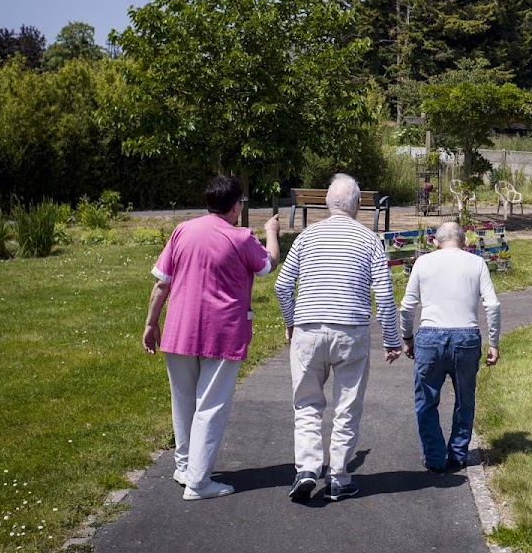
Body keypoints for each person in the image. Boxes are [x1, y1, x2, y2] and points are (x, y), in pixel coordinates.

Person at [143, 175, 280, 500]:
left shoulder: (182, 231)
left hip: (178, 329)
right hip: (221, 333)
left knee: (184, 401)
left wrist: (151, 323)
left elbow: (162, 283)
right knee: (211, 405)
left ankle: (185, 466)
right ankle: (199, 482)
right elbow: (267, 265)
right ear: (236, 207)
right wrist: (271, 234)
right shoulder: (242, 237)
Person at [275, 173, 401, 502]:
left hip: (308, 329)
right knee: (347, 407)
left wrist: (291, 321)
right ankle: (339, 477)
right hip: (351, 331)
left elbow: (282, 286)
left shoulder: (306, 237)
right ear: (358, 205)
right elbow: (385, 296)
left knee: (306, 403)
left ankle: (306, 468)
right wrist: (391, 339)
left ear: (328, 204)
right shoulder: (370, 239)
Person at [399, 221, 500, 473]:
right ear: (464, 241)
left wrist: (407, 337)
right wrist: (494, 341)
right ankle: (457, 453)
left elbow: (407, 306)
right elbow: (492, 305)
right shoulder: (476, 263)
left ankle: (434, 457)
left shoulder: (423, 263)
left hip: (430, 337)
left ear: (435, 241)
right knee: (464, 399)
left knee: (426, 400)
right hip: (466, 336)